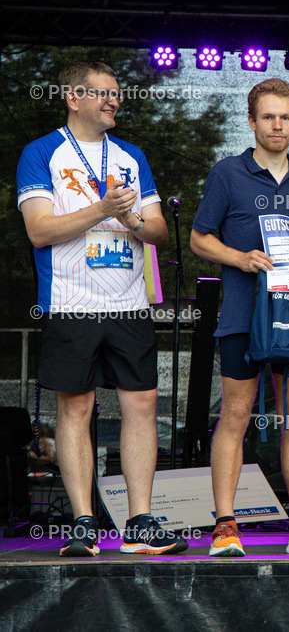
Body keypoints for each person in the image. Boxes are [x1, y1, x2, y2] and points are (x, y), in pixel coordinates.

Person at [17, 60, 186, 556]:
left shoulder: (132, 156)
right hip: (71, 301)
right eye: (104, 94)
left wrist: (130, 216)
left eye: (117, 94)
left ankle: (140, 522)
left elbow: (156, 231)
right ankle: (84, 523)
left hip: (129, 302)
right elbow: (39, 230)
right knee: (77, 407)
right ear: (73, 98)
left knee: (143, 405)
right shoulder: (41, 152)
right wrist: (102, 209)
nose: (114, 101)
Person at [191, 78, 289, 557]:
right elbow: (198, 239)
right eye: (269, 116)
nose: (278, 125)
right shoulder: (227, 173)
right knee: (235, 415)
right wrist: (240, 258)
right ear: (252, 121)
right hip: (242, 315)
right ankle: (225, 526)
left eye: (286, 117)